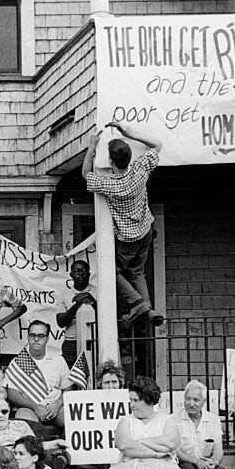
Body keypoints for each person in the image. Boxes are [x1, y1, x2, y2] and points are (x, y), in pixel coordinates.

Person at [81, 122, 164, 327]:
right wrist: (131, 133)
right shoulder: (139, 170)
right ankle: (148, 308)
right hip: (145, 231)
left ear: (110, 161)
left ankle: (139, 303)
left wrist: (92, 147)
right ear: (129, 158)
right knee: (137, 272)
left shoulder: (110, 183)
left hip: (127, 239)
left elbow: (85, 175)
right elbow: (157, 145)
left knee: (112, 271)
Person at [5, 320, 72, 429]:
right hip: (28, 407)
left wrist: (57, 404)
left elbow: (68, 389)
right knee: (25, 426)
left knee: (72, 422)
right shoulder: (19, 361)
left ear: (47, 338)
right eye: (32, 335)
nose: (36, 339)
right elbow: (12, 394)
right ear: (28, 337)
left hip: (55, 406)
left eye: (41, 336)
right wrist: (35, 407)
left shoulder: (58, 360)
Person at [56, 260, 96, 368]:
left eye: (84, 271)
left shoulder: (98, 291)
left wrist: (92, 300)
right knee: (70, 377)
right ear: (71, 275)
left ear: (89, 274)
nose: (81, 274)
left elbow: (105, 316)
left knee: (93, 371)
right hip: (71, 342)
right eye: (77, 271)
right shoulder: (64, 294)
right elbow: (61, 322)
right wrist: (77, 304)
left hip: (94, 339)